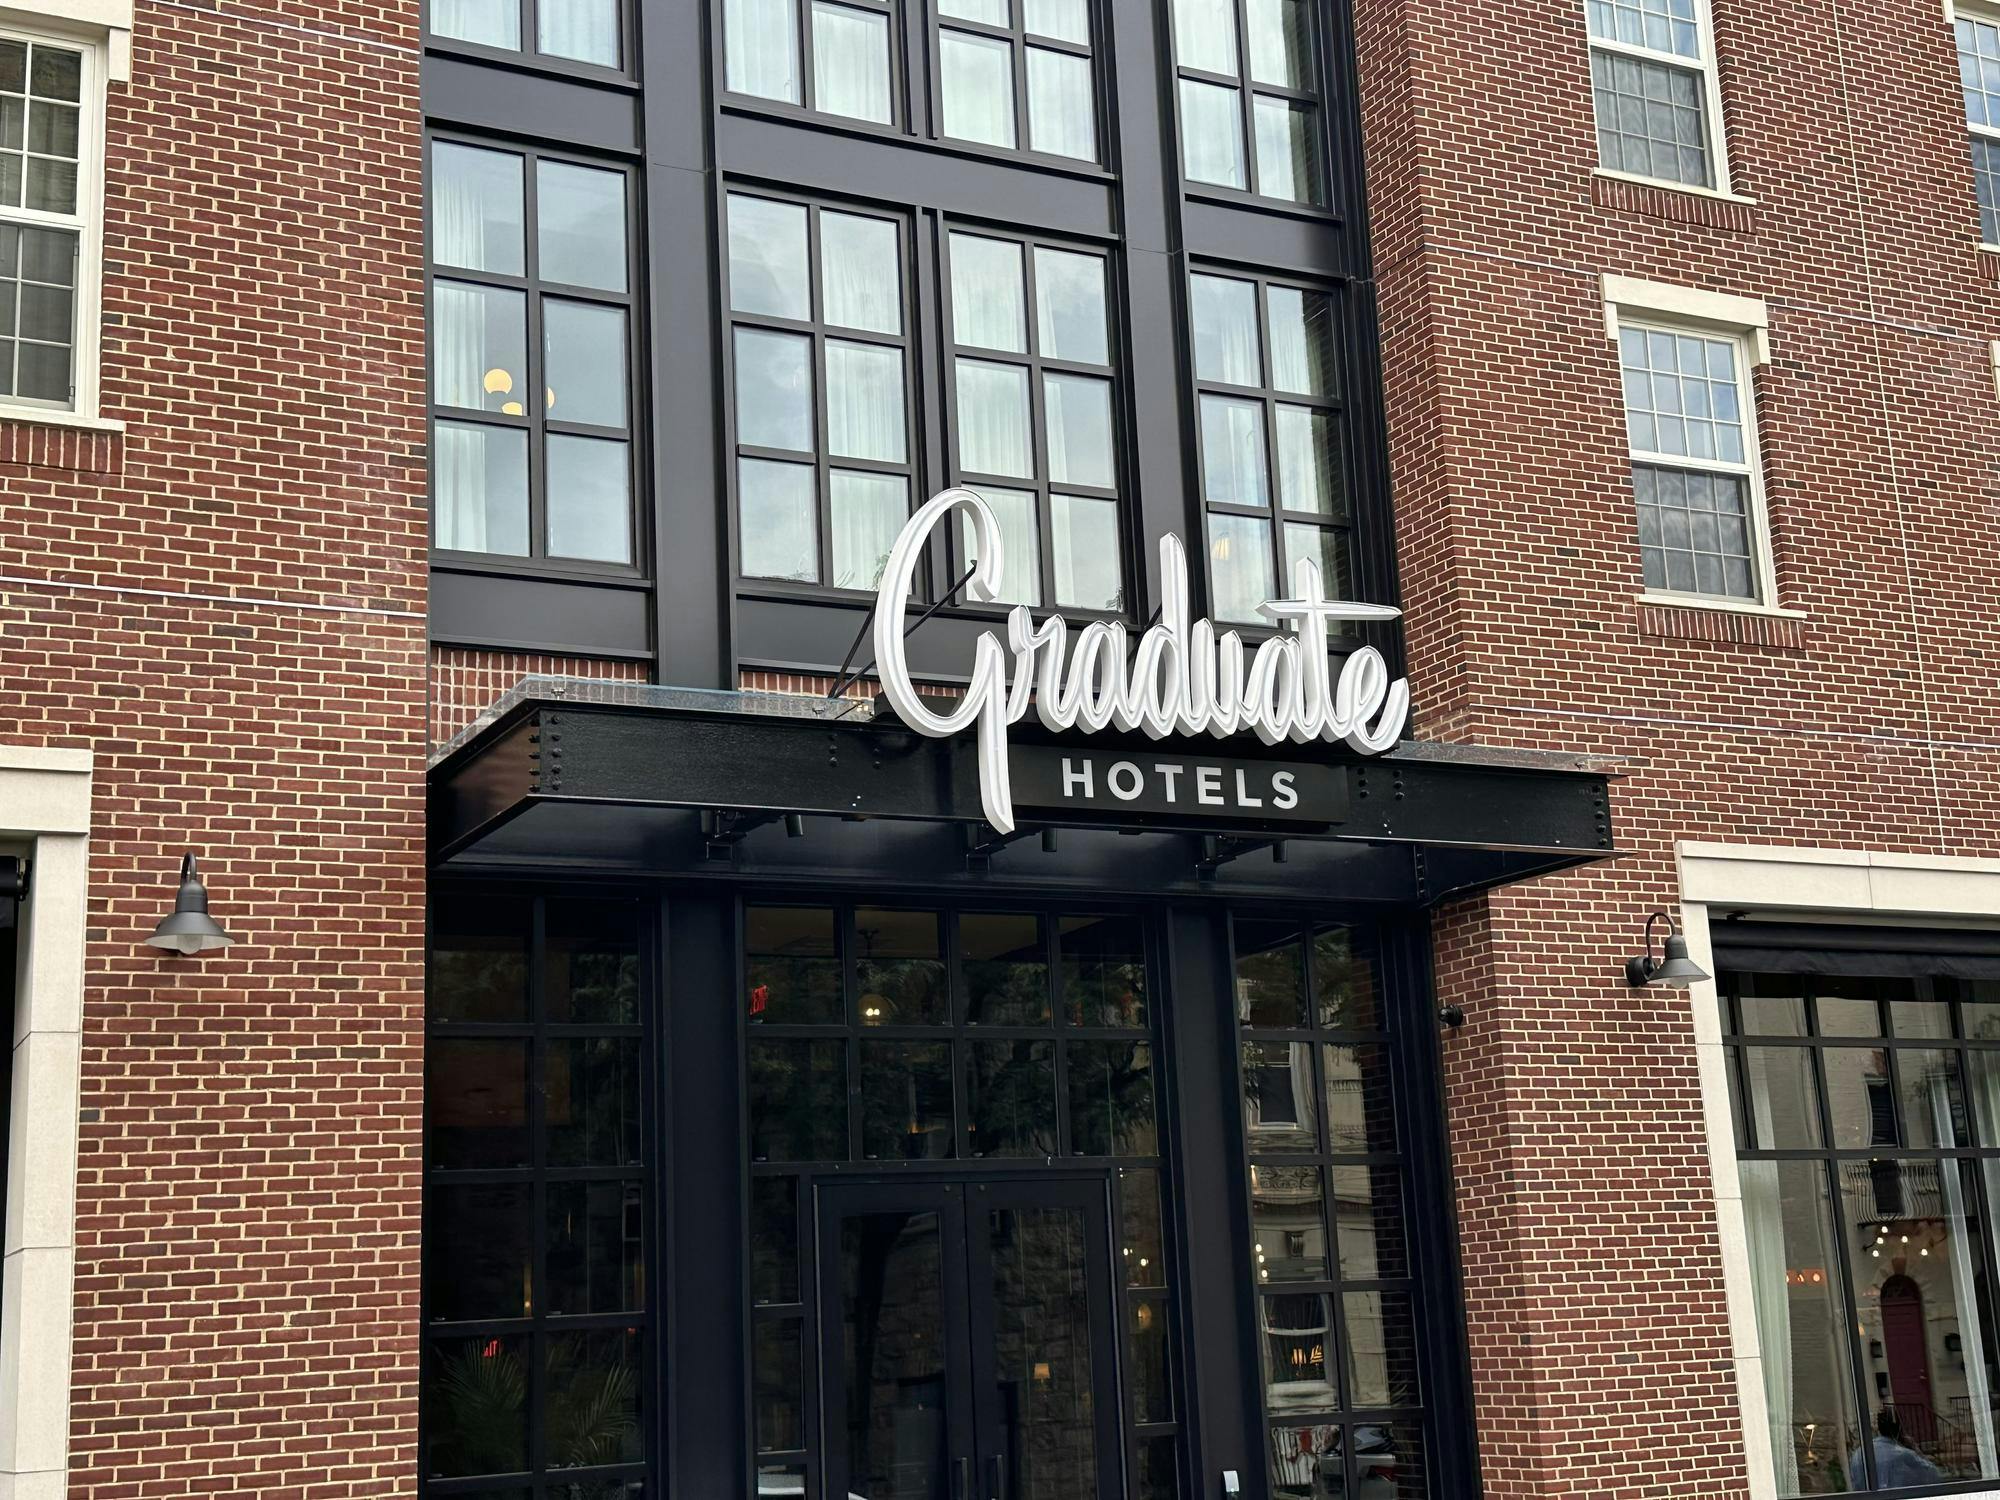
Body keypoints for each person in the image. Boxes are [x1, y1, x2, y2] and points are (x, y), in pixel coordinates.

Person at [1849, 1410, 1946, 1487]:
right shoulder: (1904, 1455)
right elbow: (1934, 1475)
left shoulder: (1859, 1454)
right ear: (1899, 1429)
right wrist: (1916, 1450)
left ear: (1879, 1428)